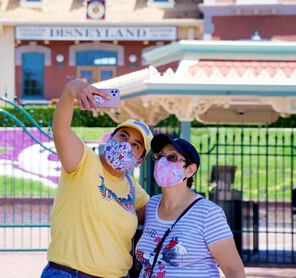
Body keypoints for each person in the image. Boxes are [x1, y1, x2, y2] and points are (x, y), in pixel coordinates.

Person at [41, 79, 154, 278]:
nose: (127, 144)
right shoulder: (84, 161)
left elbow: (158, 213)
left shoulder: (131, 187)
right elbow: (61, 130)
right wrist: (70, 91)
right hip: (70, 273)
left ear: (140, 160)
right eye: (123, 136)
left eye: (136, 144)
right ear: (111, 138)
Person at [135, 134, 245, 278]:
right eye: (160, 156)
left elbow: (234, 270)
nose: (162, 162)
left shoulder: (208, 213)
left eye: (172, 157)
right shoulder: (151, 206)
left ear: (190, 170)